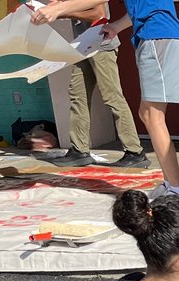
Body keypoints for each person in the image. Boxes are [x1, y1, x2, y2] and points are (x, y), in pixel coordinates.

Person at [31, 0, 179, 194]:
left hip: (157, 37)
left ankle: (176, 189)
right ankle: (171, 184)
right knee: (148, 114)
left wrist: (57, 9)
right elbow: (140, 8)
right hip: (157, 38)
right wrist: (116, 26)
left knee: (152, 116)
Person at [52, 2, 149, 169]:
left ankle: (135, 151)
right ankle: (79, 150)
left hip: (102, 46)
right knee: (77, 95)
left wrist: (63, 13)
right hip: (83, 46)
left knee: (112, 96)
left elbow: (98, 13)